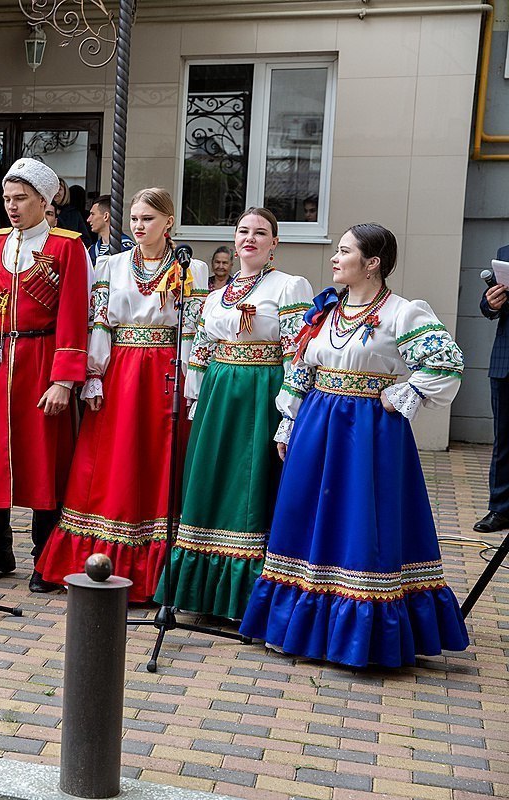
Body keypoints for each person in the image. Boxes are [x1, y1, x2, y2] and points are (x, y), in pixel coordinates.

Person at [240, 223, 469, 668]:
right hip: (317, 426)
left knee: (362, 522)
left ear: (372, 262)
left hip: (369, 435)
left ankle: (360, 635)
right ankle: (300, 628)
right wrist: (288, 421)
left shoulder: (404, 313)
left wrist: (407, 392)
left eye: (343, 251)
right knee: (306, 517)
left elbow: (448, 363)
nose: (334, 258)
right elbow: (302, 368)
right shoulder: (326, 311)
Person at [35, 188, 208, 601]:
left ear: (169, 223)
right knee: (110, 462)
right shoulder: (111, 264)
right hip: (122, 371)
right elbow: (100, 323)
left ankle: (157, 571)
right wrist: (94, 375)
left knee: (157, 460)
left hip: (166, 371)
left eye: (147, 218)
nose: (138, 226)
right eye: (133, 218)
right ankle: (91, 558)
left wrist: (191, 380)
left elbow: (195, 328)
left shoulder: (191, 267)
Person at [153, 208, 312, 618]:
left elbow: (298, 352)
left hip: (262, 392)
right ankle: (199, 592)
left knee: (250, 484)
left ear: (274, 243)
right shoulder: (214, 294)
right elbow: (203, 348)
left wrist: (290, 412)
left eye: (261, 233)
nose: (250, 238)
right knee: (210, 479)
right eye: (243, 231)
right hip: (219, 394)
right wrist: (196, 396)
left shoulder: (289, 286)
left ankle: (246, 597)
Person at [0, 157, 91, 593]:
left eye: (21, 199)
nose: (12, 206)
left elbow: (74, 314)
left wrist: (64, 380)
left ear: (44, 199)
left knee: (42, 460)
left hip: (41, 359)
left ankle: (43, 557)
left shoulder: (68, 246)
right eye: (7, 198)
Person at [476, 242, 509, 534]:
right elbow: (487, 308)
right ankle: (500, 510)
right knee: (503, 440)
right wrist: (491, 302)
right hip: (506, 361)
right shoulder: (504, 253)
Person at [53, 179, 93, 244]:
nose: (56, 192)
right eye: (54, 189)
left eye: (59, 189)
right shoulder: (42, 210)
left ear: (65, 192)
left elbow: (85, 239)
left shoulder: (74, 213)